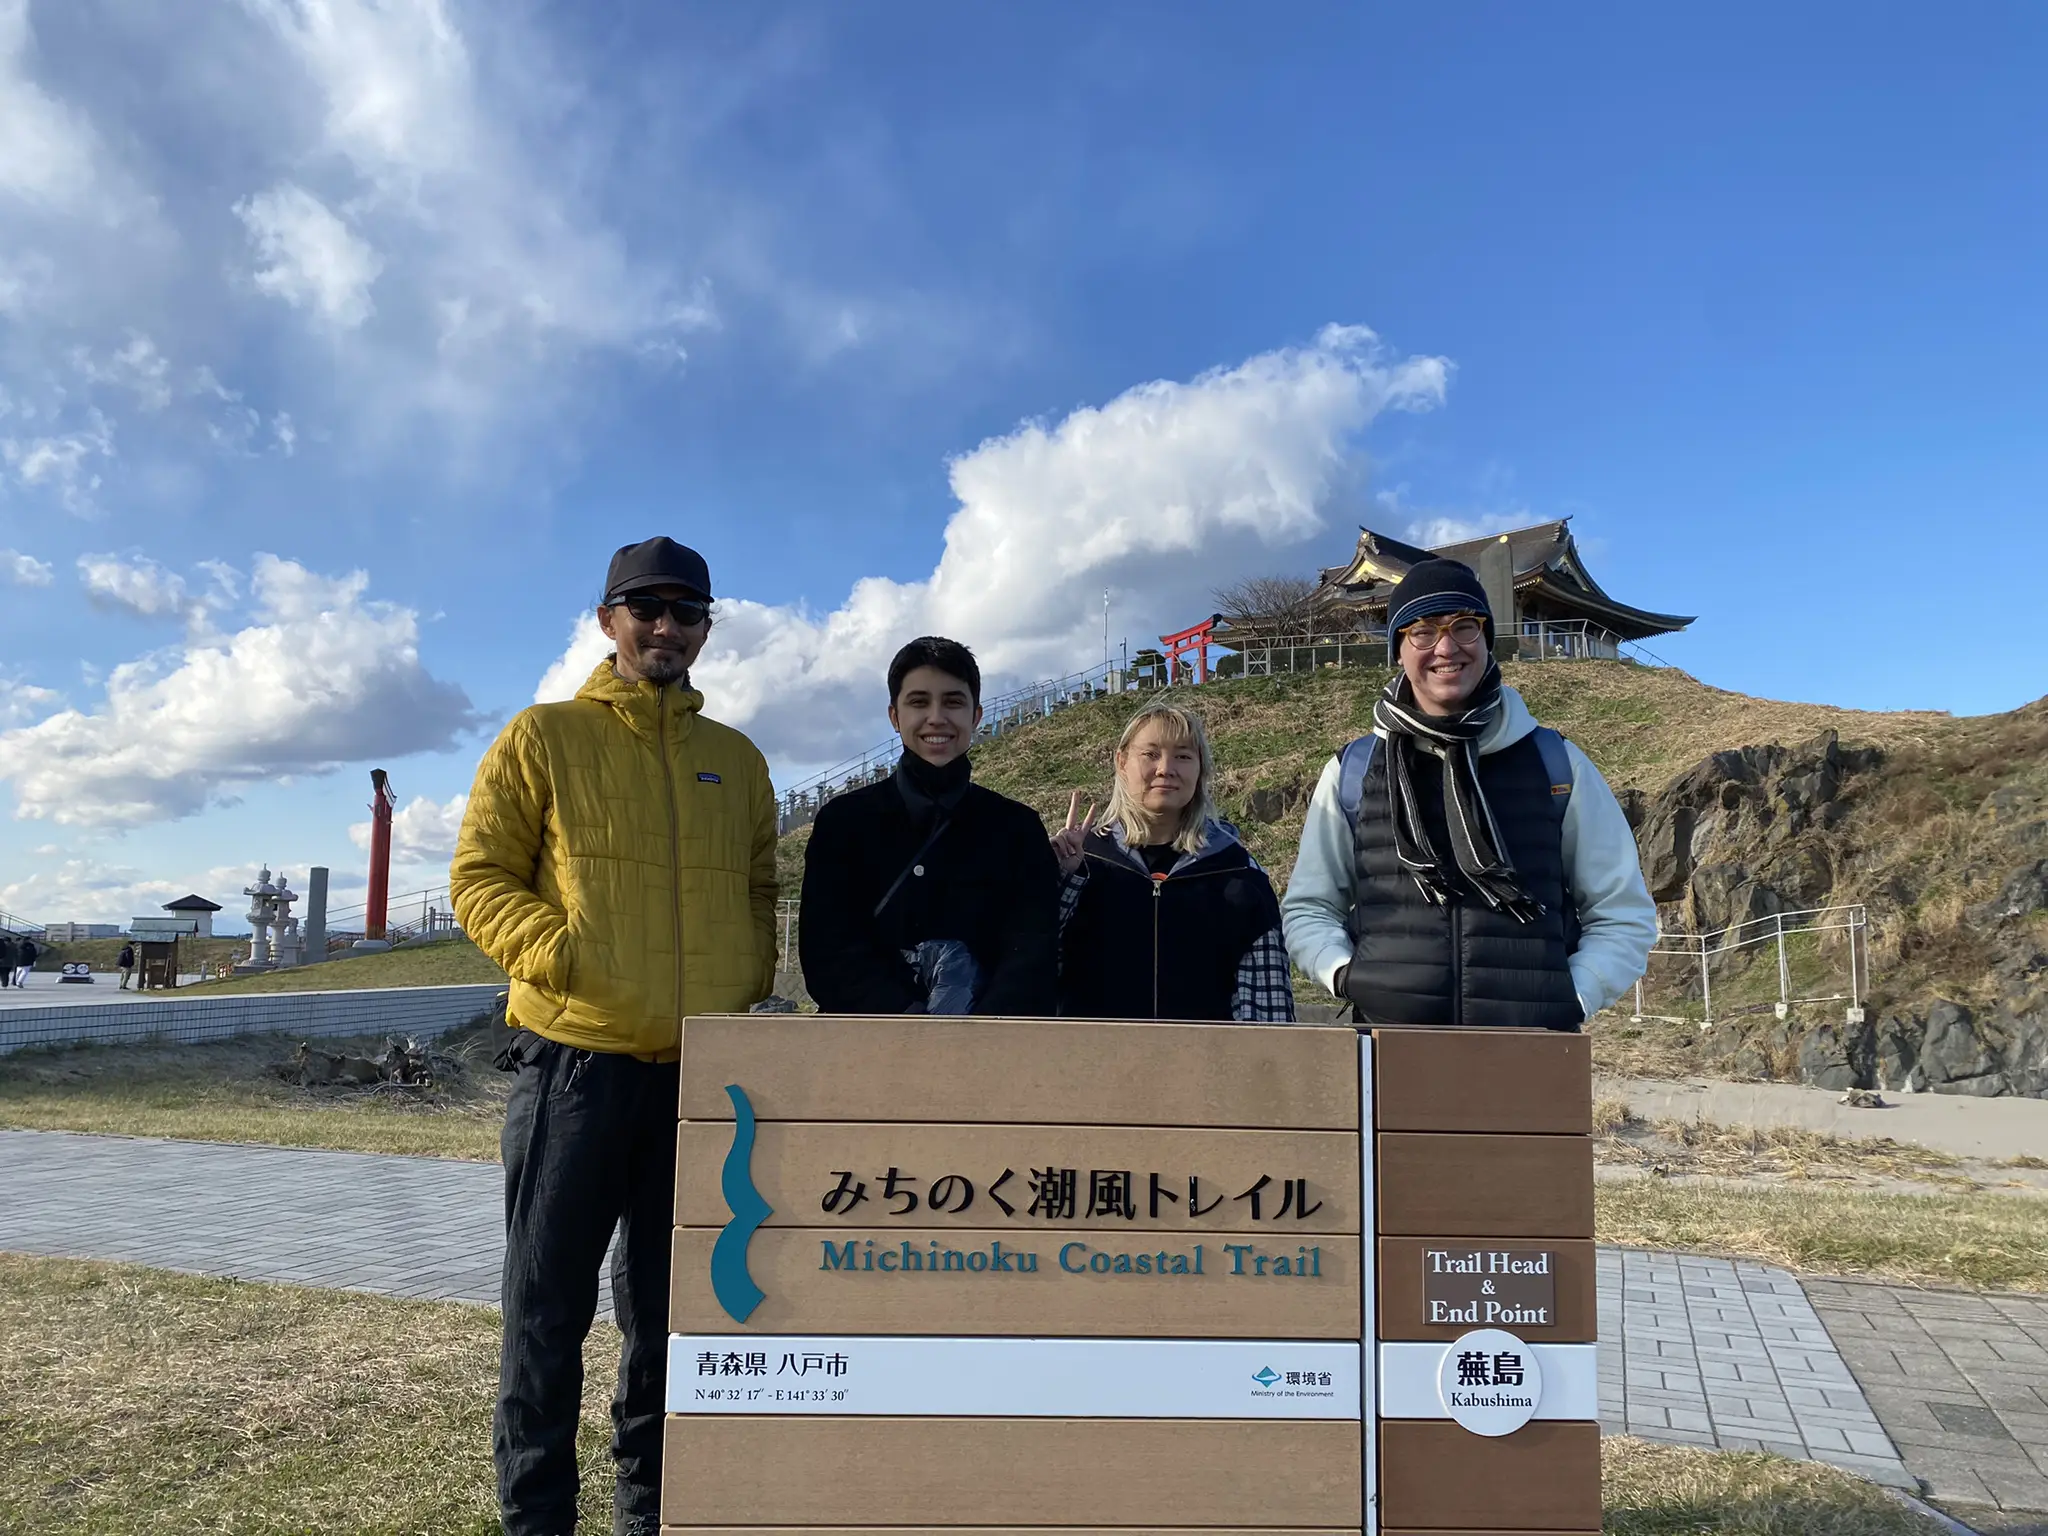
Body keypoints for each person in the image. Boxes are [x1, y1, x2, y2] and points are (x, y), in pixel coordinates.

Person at [450, 536, 778, 1536]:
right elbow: (478, 879)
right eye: (647, 608)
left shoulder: (738, 759)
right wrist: (567, 957)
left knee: (665, 1323)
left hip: (697, 1083)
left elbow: (763, 890)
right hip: (573, 1072)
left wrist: (746, 986)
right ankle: (536, 1519)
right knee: (547, 1319)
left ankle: (651, 1514)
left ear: (706, 628)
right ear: (608, 620)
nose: (666, 626)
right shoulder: (542, 736)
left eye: (687, 611)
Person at [1282, 558, 1655, 1029]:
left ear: (1486, 639)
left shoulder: (1556, 764)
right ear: (1398, 648)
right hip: (1389, 1048)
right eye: (1422, 630)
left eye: (1464, 626)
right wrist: (1344, 974)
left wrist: (1574, 994)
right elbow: (1309, 907)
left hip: (1531, 1054)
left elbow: (1621, 909)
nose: (1445, 647)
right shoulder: (1353, 771)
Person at [800, 636, 1058, 1016]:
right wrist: (907, 1020)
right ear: (894, 716)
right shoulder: (843, 822)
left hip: (986, 1053)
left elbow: (1033, 950)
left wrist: (974, 1031)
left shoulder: (1018, 827)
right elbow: (827, 950)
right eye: (919, 702)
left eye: (953, 701)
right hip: (866, 1049)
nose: (936, 717)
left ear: (976, 716)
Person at [1052, 700, 1294, 1022]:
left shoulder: (1239, 872)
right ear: (1121, 762)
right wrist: (1057, 879)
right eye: (1150, 754)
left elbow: (1267, 1011)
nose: (1166, 768)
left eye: (1183, 755)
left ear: (1201, 769)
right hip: (1093, 1062)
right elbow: (1031, 966)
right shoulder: (1085, 862)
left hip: (1204, 1064)